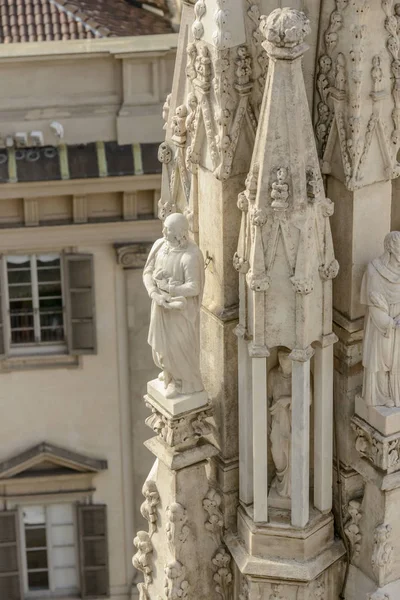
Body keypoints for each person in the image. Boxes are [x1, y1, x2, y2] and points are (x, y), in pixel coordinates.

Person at [143, 213, 205, 399]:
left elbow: (194, 287)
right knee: (161, 347)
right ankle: (169, 372)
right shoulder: (160, 245)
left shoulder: (190, 256)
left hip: (180, 312)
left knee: (179, 347)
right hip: (161, 306)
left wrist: (170, 288)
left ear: (180, 233)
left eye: (168, 230)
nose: (163, 231)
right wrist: (154, 293)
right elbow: (147, 272)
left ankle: (184, 383)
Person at [361, 231, 400, 407]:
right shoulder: (374, 270)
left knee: (395, 360)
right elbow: (373, 303)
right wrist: (391, 323)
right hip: (382, 326)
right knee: (382, 359)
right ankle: (379, 395)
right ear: (391, 249)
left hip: (397, 323)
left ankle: (393, 392)